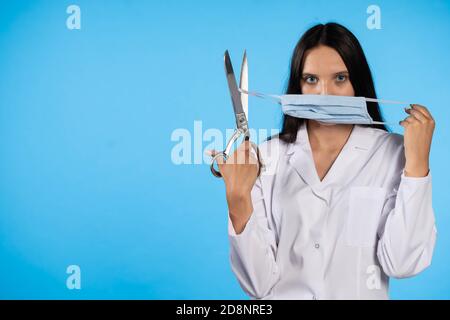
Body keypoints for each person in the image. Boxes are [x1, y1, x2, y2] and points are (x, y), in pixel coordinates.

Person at [211, 22, 436, 300]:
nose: (325, 93)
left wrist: (417, 167)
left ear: (358, 83)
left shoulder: (393, 153)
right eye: (312, 80)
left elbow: (402, 263)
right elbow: (258, 285)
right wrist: (237, 200)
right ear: (297, 87)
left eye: (340, 78)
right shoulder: (266, 157)